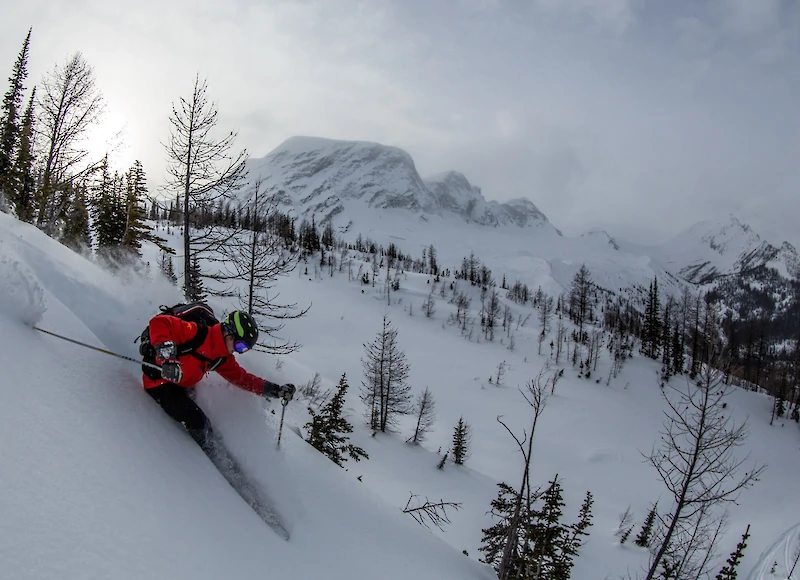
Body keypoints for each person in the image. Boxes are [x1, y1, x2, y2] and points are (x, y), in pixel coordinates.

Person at [143, 309, 295, 452]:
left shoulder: (222, 358)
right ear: (228, 332)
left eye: (243, 349)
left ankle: (212, 448)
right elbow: (159, 322)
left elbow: (242, 378)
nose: (238, 350)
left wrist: (275, 390)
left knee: (204, 420)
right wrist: (168, 358)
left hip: (184, 387)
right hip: (160, 383)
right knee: (199, 422)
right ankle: (207, 461)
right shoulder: (196, 332)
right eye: (240, 345)